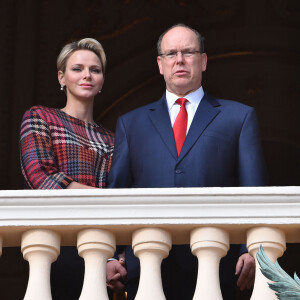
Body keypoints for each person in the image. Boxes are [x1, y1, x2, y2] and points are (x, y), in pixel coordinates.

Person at [107, 24, 268, 300]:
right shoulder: (130, 124)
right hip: (147, 267)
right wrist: (109, 255)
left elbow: (255, 192)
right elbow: (116, 195)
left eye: (188, 52)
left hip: (217, 266)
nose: (179, 59)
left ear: (203, 61)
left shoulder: (238, 118)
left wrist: (251, 249)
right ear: (160, 64)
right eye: (170, 53)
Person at [19, 38, 114, 299]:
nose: (87, 75)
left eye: (95, 70)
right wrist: (104, 198)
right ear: (62, 77)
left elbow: (119, 189)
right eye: (77, 68)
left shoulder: (111, 138)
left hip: (99, 242)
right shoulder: (40, 117)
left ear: (102, 80)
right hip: (56, 241)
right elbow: (41, 177)